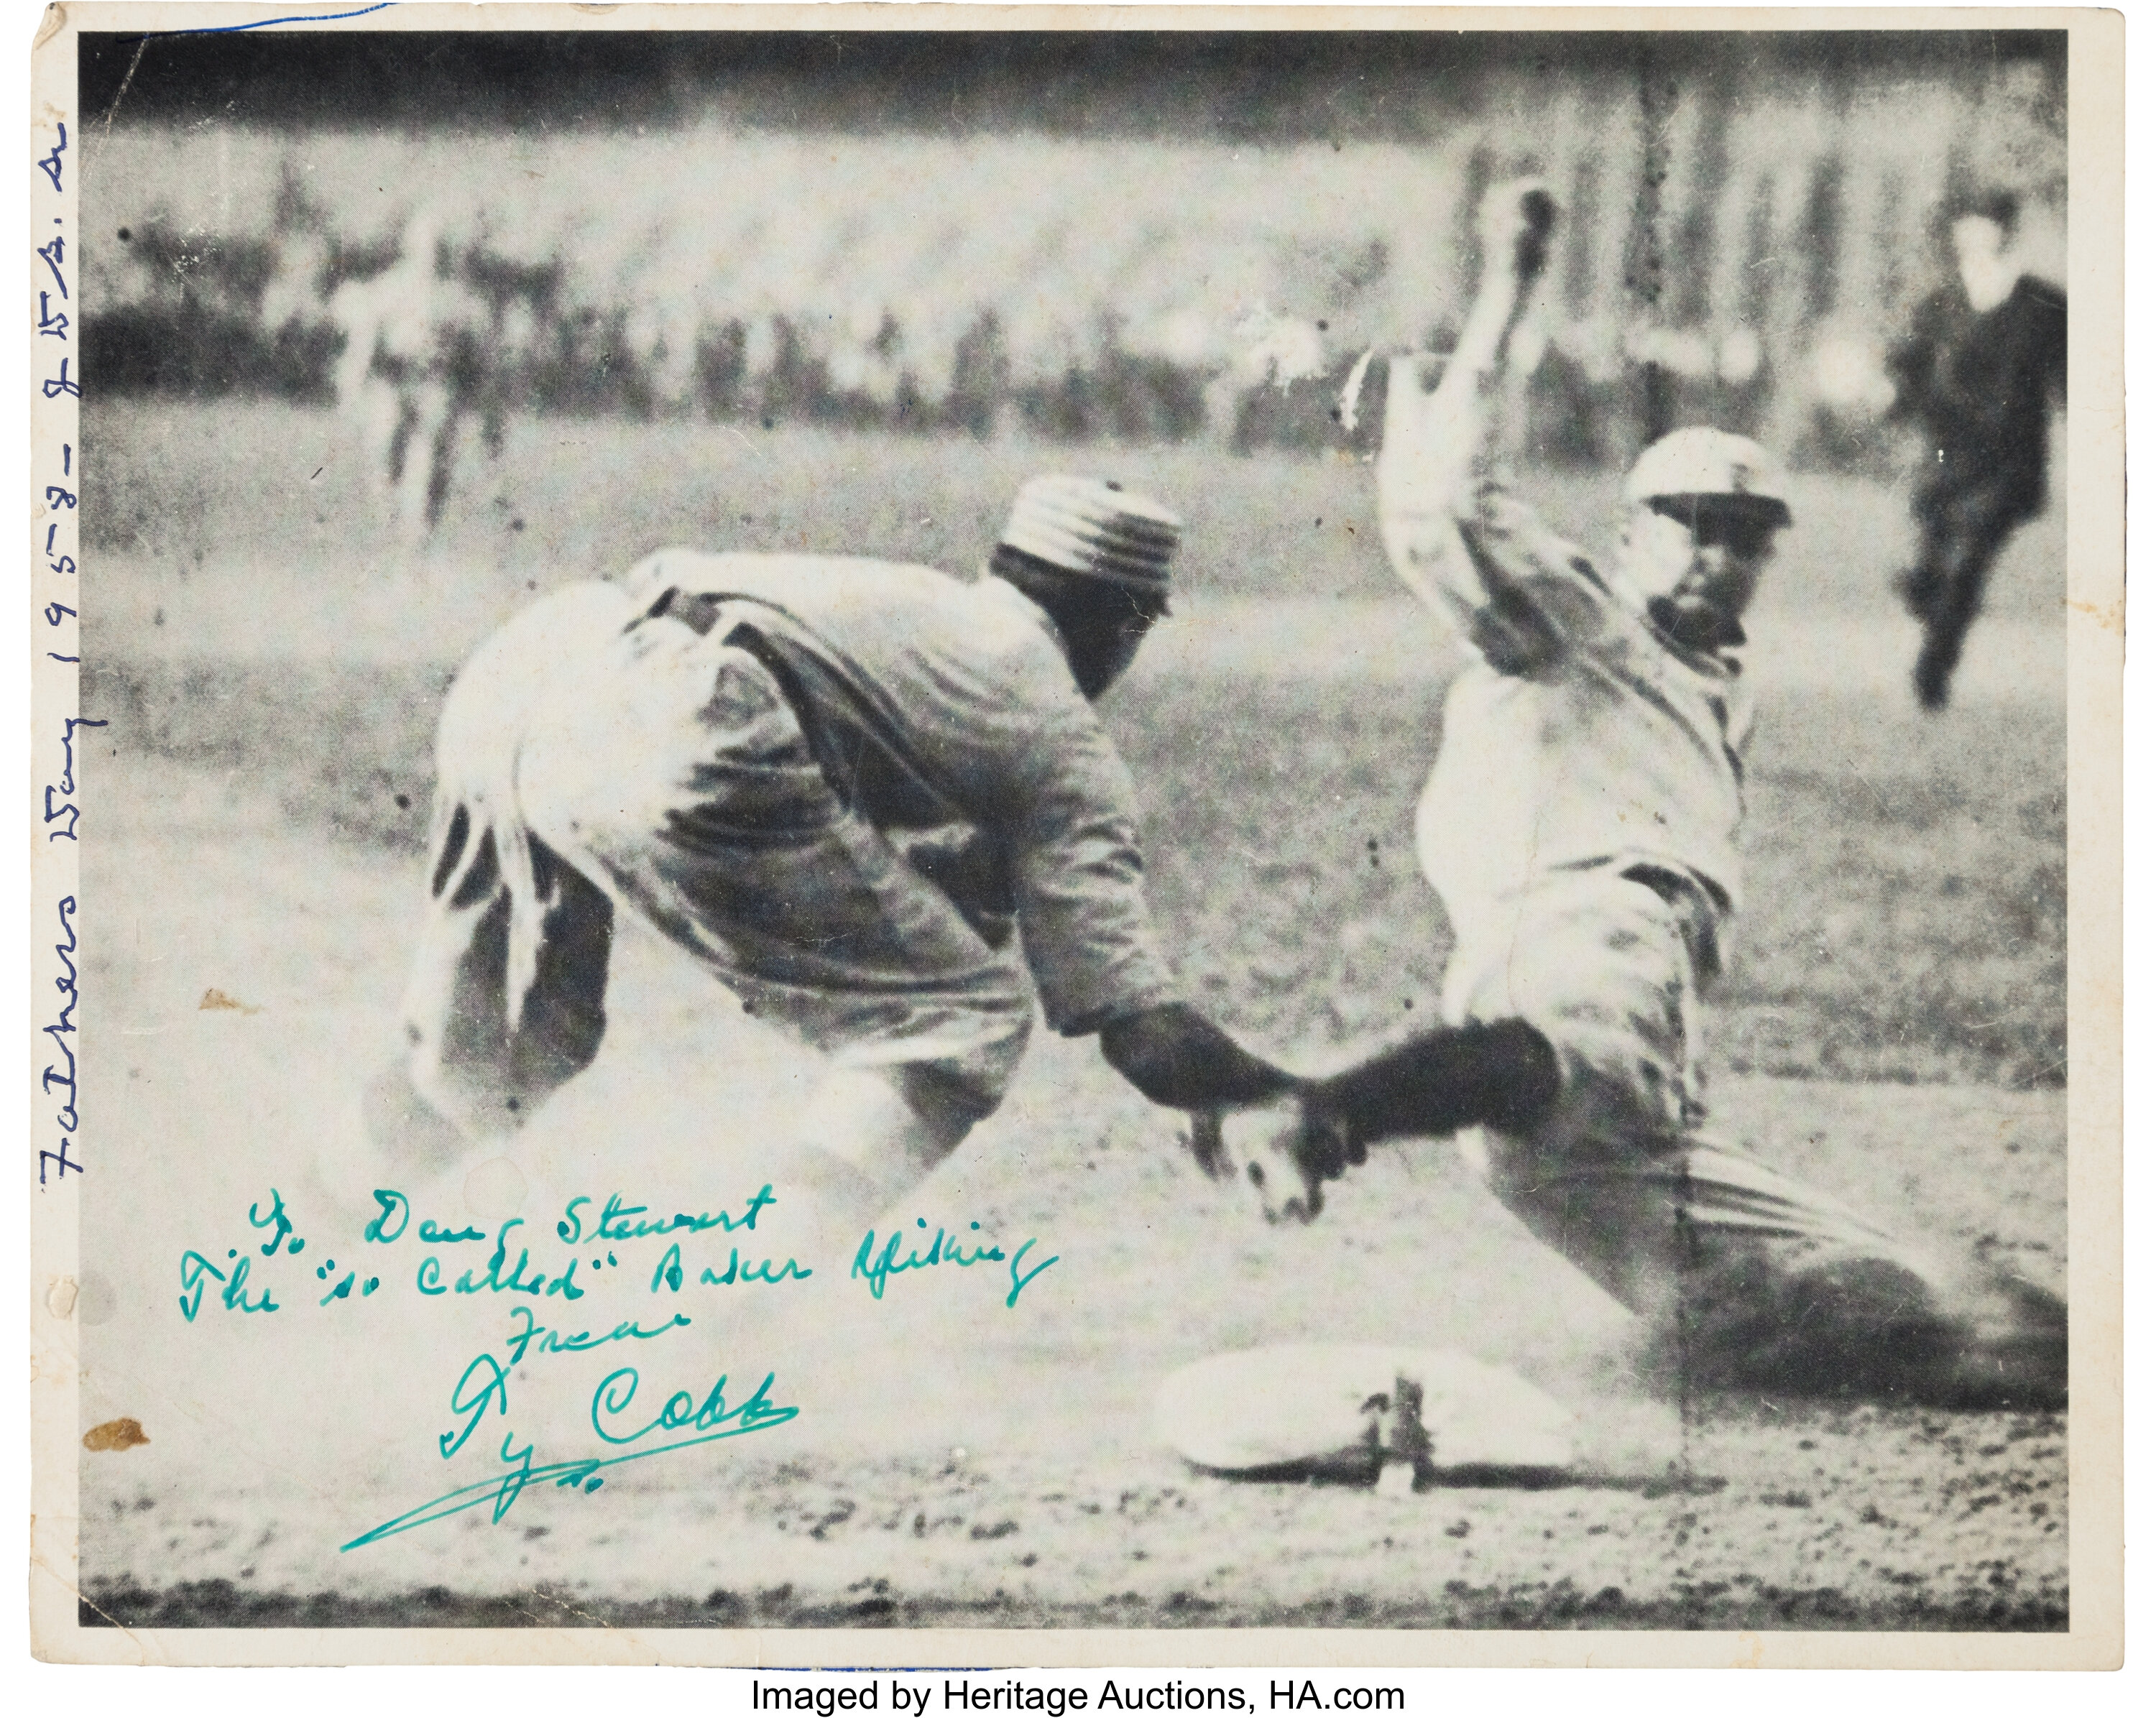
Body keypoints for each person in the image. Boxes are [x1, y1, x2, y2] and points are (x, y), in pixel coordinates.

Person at [1197, 183, 2064, 1412]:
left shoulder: (1716, 681)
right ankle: (1314, 1116)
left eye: (1751, 530)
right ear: (1633, 532)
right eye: (1696, 523)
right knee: (1583, 1053)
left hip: (1637, 1123)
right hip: (1580, 959)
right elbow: (1447, 511)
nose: (1724, 548)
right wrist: (1510, 284)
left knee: (1943, 1315)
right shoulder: (1582, 624)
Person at [366, 475, 1294, 1234]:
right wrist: (1272, 1091)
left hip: (529, 659)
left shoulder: (923, 609)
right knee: (962, 1025)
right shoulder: (1054, 724)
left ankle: (300, 1235)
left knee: (503, 1054)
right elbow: (1138, 1026)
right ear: (1122, 621)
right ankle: (709, 1331)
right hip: (684, 714)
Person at [1884, 188, 2067, 711]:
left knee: (1969, 561)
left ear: (2007, 231)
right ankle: (1926, 594)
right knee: (1932, 565)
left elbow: (2073, 376)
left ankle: (1935, 666)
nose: (1978, 234)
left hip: (2010, 456)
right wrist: (1897, 403)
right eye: (1970, 223)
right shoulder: (1938, 300)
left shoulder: (2045, 305)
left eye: (1990, 223)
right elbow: (1906, 365)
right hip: (1946, 453)